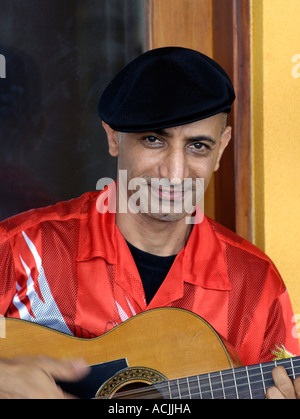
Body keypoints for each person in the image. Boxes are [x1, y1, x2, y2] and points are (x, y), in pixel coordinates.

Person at [0, 47, 299, 399]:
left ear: (221, 149)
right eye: (154, 139)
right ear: (114, 137)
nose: (174, 173)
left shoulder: (255, 285)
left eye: (198, 146)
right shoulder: (21, 251)